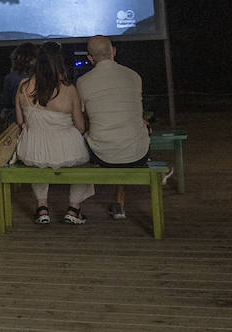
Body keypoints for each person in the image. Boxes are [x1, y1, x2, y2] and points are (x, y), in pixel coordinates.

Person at [15, 41, 93, 225]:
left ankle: (42, 207)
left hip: (32, 148)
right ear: (59, 63)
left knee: (38, 161)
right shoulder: (69, 89)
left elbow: (20, 122)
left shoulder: (23, 86)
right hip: (67, 149)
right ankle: (74, 208)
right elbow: (81, 127)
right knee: (86, 165)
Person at [76, 34, 150, 220]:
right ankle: (119, 201)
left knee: (88, 138)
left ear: (90, 58)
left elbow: (83, 119)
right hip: (138, 152)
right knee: (129, 135)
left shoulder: (83, 82)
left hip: (102, 153)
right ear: (113, 52)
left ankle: (74, 204)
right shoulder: (134, 76)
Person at [0, 41, 38, 125]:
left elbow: (7, 102)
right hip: (37, 119)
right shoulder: (40, 76)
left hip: (15, 120)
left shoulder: (11, 78)